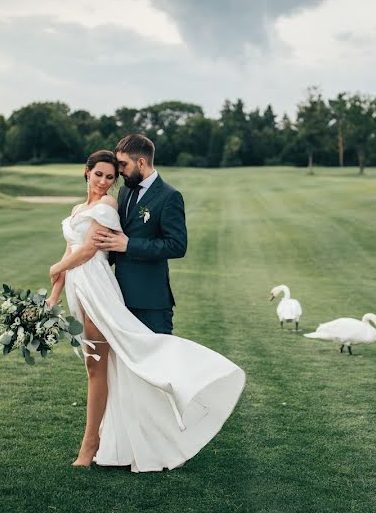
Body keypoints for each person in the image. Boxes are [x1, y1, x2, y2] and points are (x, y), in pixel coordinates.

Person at [46, 149, 245, 472]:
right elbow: (70, 249)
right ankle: (121, 437)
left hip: (96, 288)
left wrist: (56, 266)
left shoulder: (109, 204)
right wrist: (53, 295)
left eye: (111, 175)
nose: (106, 180)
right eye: (100, 174)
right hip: (78, 290)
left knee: (97, 369)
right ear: (86, 172)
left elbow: (86, 250)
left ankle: (90, 444)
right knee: (99, 367)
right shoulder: (82, 207)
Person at [94, 134, 185, 335]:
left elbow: (177, 245)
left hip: (151, 303)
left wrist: (130, 245)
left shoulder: (169, 196)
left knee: (157, 363)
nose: (119, 170)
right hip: (119, 298)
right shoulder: (125, 191)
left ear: (141, 162)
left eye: (123, 164)